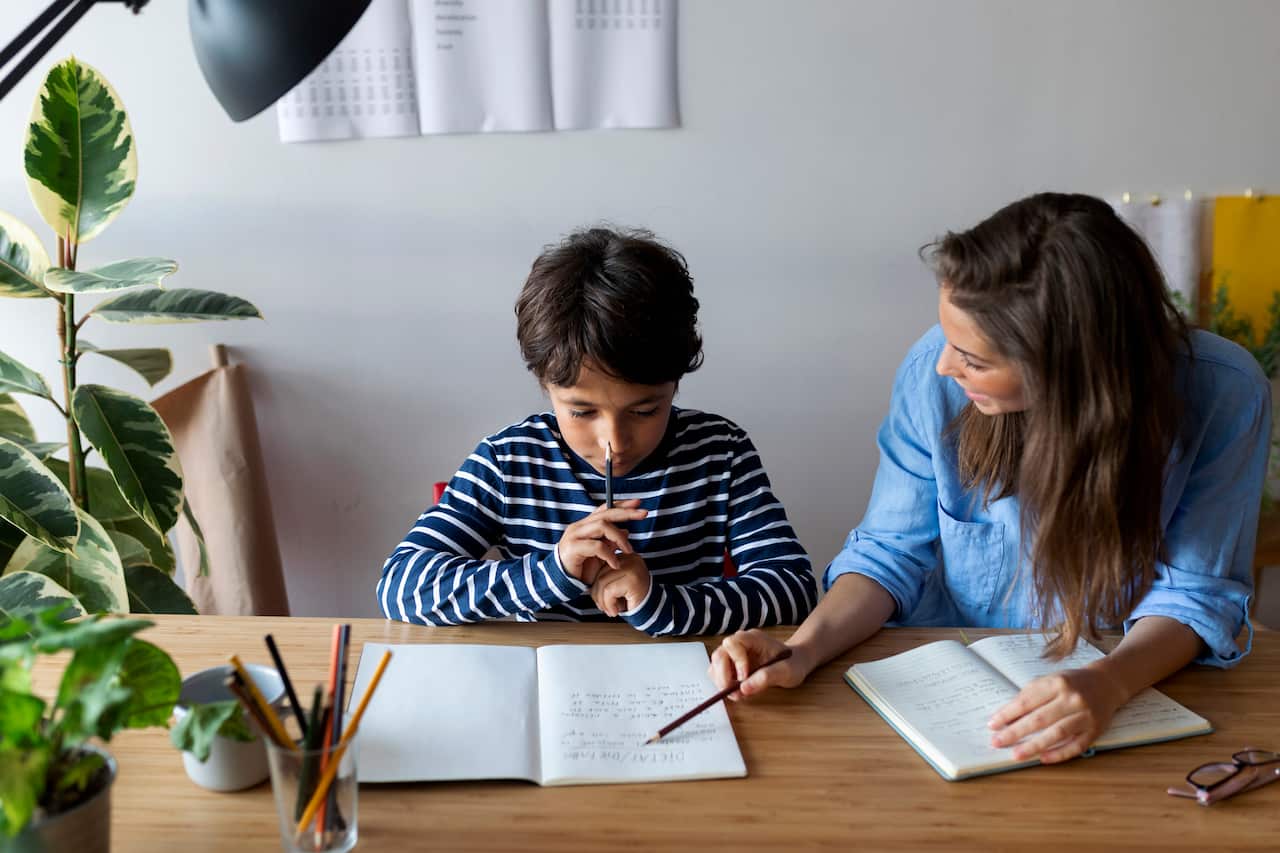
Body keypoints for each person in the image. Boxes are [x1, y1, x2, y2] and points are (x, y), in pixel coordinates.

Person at [710, 192, 1270, 764]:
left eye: (974, 360)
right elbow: (889, 554)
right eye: (949, 341)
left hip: (1130, 694)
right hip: (947, 699)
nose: (944, 367)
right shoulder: (936, 374)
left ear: (1070, 370)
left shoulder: (1224, 392)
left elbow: (1195, 595)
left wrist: (1109, 683)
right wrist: (800, 651)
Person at [377, 226, 816, 635]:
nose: (614, 443)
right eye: (581, 412)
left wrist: (660, 603)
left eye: (645, 411)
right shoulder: (509, 460)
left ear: (675, 383)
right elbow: (401, 587)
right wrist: (556, 570)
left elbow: (794, 589)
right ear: (545, 385)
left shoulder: (720, 453)